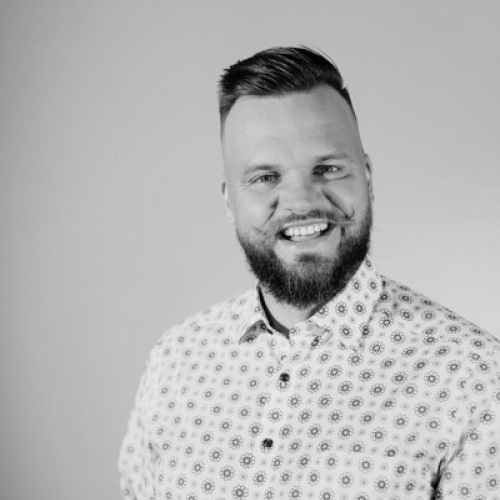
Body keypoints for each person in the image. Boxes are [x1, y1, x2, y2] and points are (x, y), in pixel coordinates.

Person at [118, 46, 500, 500]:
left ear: (367, 178)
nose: (301, 201)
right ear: (229, 201)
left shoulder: (475, 378)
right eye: (265, 177)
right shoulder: (175, 361)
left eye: (328, 168)